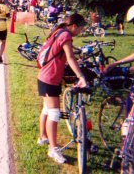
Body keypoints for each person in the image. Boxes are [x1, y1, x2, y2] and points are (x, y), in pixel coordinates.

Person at [37, 13, 88, 164]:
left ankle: (43, 137)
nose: (81, 31)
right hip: (50, 78)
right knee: (54, 113)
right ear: (74, 26)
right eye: (81, 28)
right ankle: (53, 149)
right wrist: (81, 76)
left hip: (45, 76)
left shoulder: (58, 31)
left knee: (47, 109)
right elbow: (70, 58)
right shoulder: (66, 35)